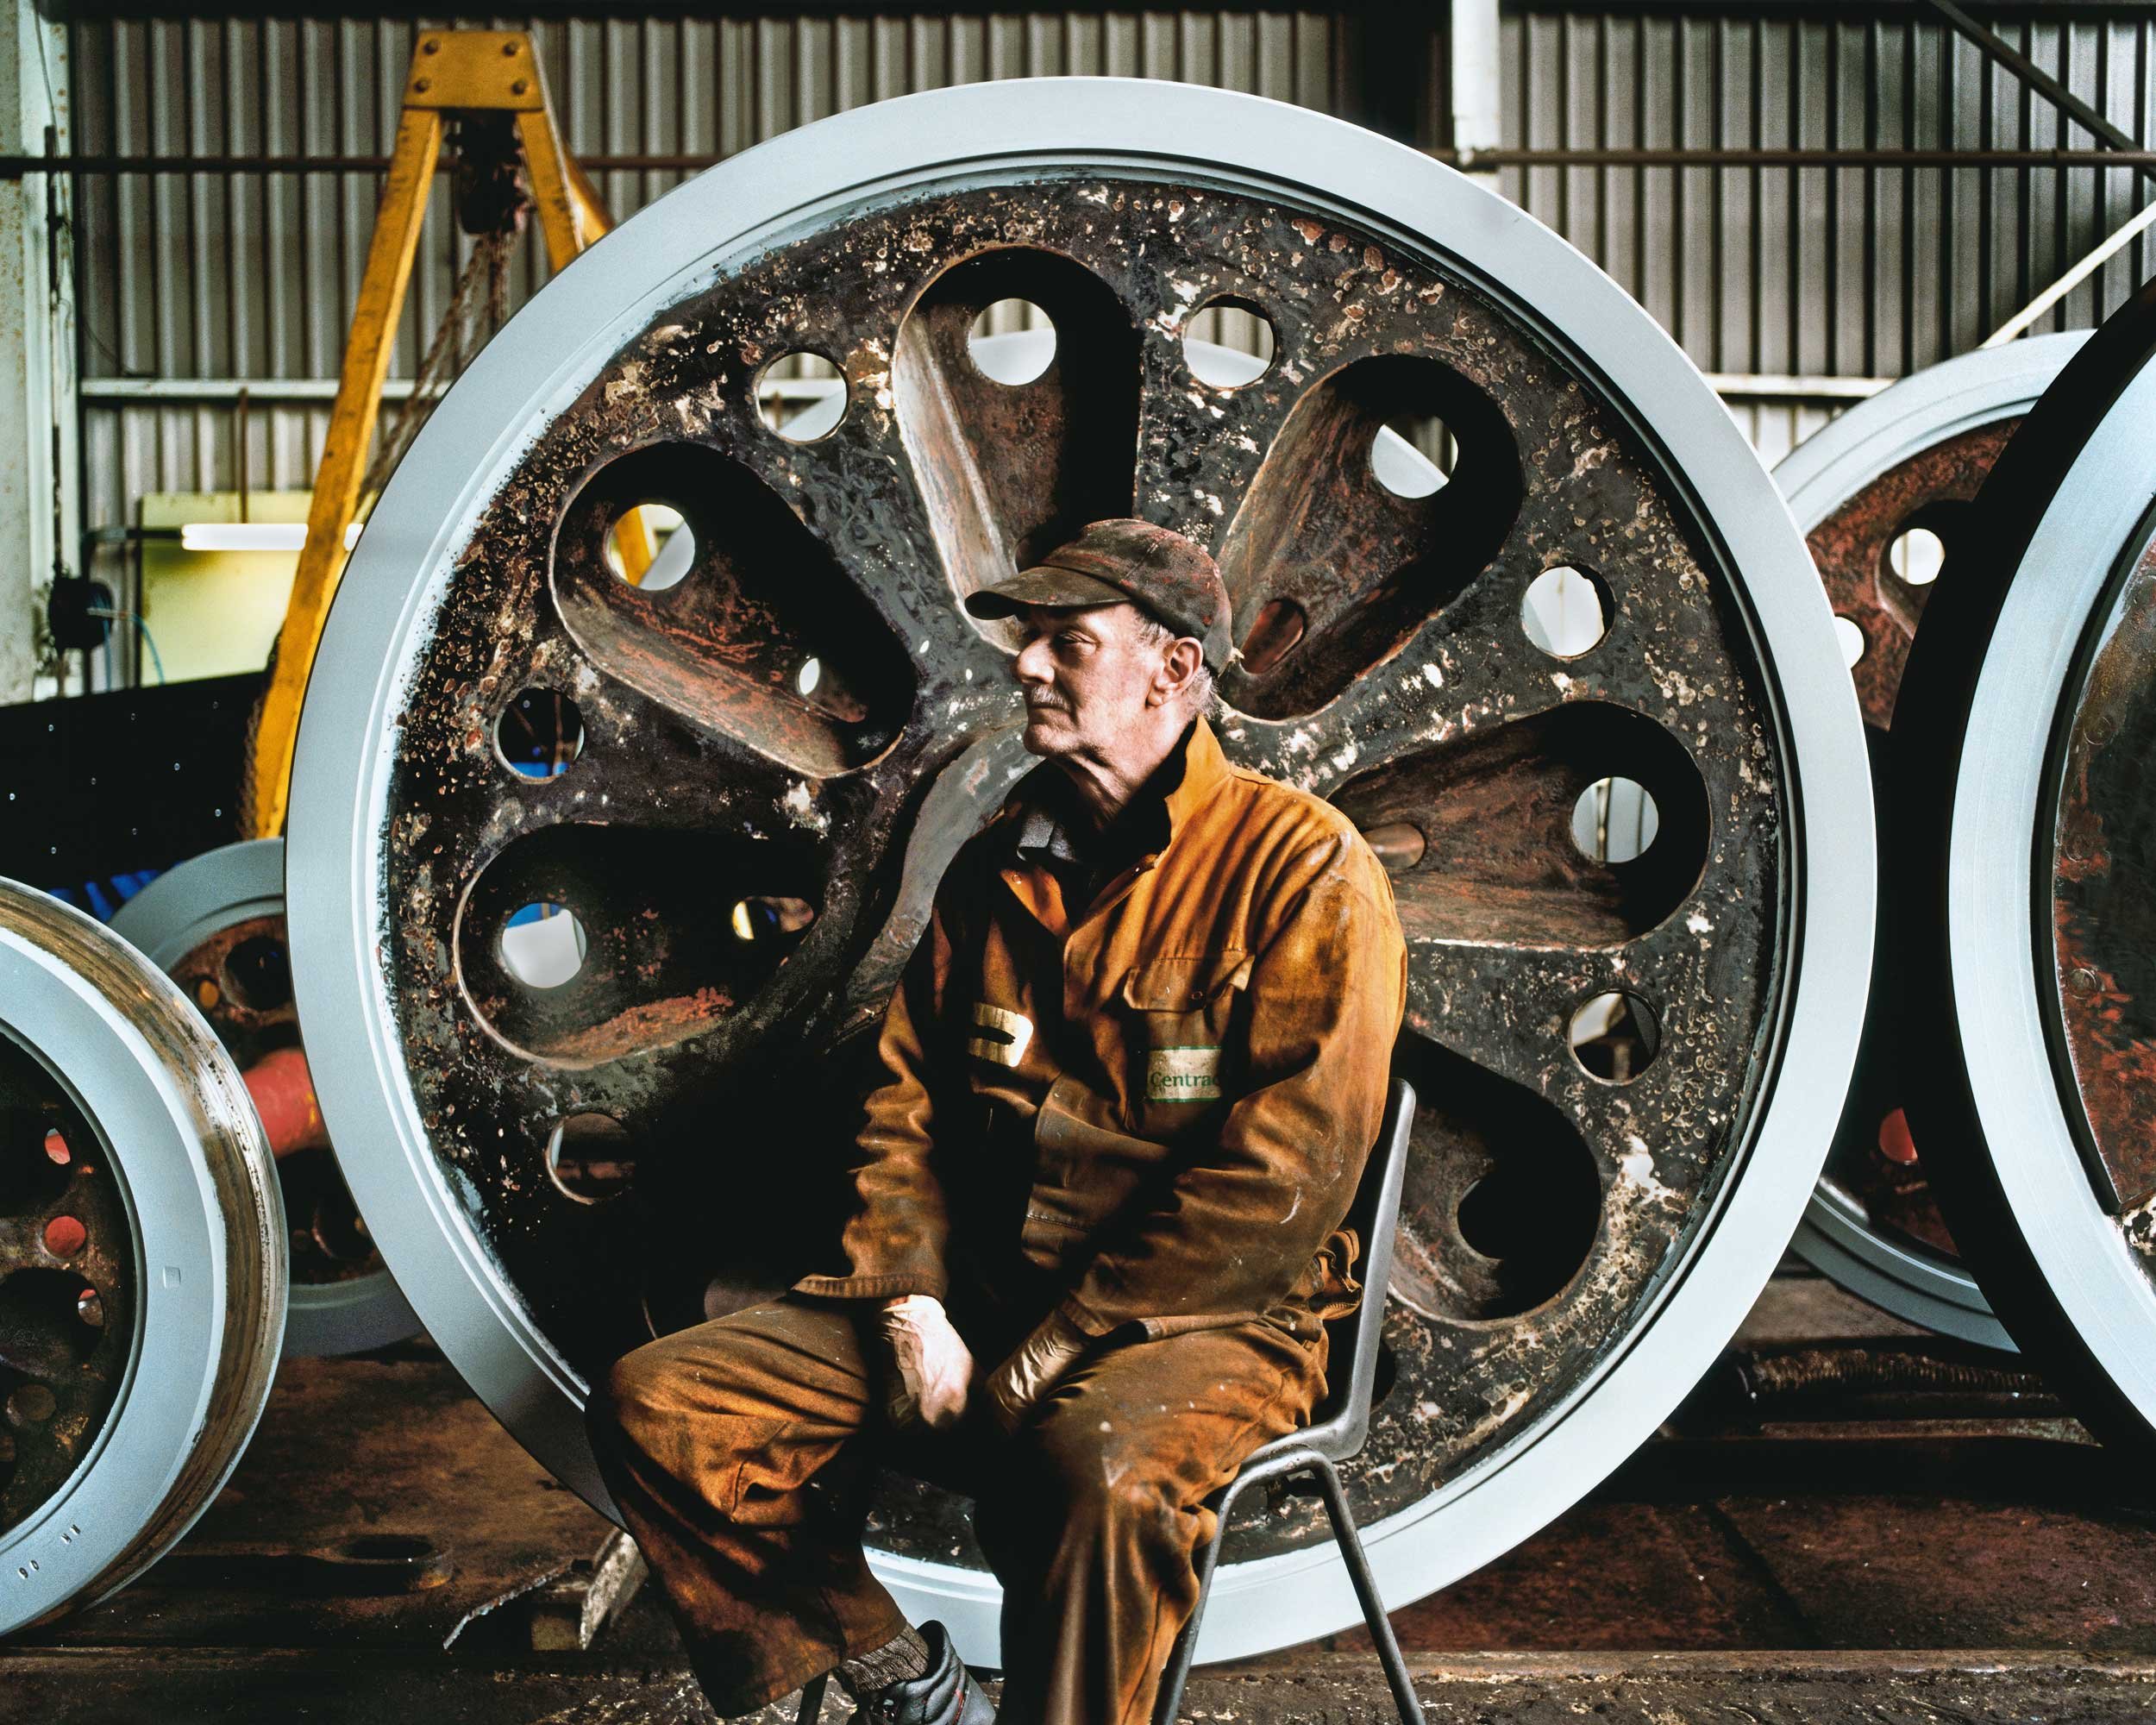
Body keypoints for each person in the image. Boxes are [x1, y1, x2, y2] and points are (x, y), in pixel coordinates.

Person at [586, 518, 1408, 1724]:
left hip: (1210, 1323)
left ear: (1171, 670)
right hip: (976, 1293)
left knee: (1104, 1475)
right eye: (1030, 639)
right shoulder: (995, 868)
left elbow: (1280, 1182)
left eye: (1067, 642)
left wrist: (1052, 1347)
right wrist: (912, 1306)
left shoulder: (1305, 868)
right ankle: (907, 1685)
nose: (1025, 664)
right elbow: (905, 1104)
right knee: (661, 1411)